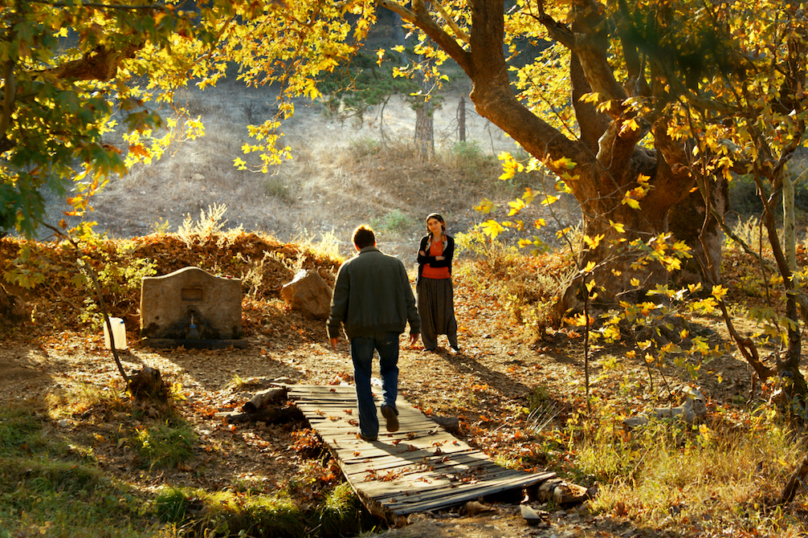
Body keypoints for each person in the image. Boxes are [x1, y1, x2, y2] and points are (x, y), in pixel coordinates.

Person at [327, 225, 421, 441]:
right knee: (388, 368)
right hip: (390, 329)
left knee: (362, 376)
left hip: (360, 332)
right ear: (375, 242)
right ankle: (388, 403)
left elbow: (338, 302)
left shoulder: (348, 267)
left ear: (356, 245)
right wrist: (415, 325)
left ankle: (369, 431)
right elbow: (408, 297)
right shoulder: (395, 264)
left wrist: (333, 329)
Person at [416, 213, 459, 353]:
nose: (433, 226)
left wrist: (429, 259)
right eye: (430, 224)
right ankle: (430, 345)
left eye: (435, 222)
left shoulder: (449, 241)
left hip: (443, 279)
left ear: (442, 223)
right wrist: (437, 259)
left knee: (446, 311)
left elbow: (446, 261)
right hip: (425, 280)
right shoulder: (425, 241)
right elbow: (420, 260)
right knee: (426, 312)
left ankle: (453, 345)